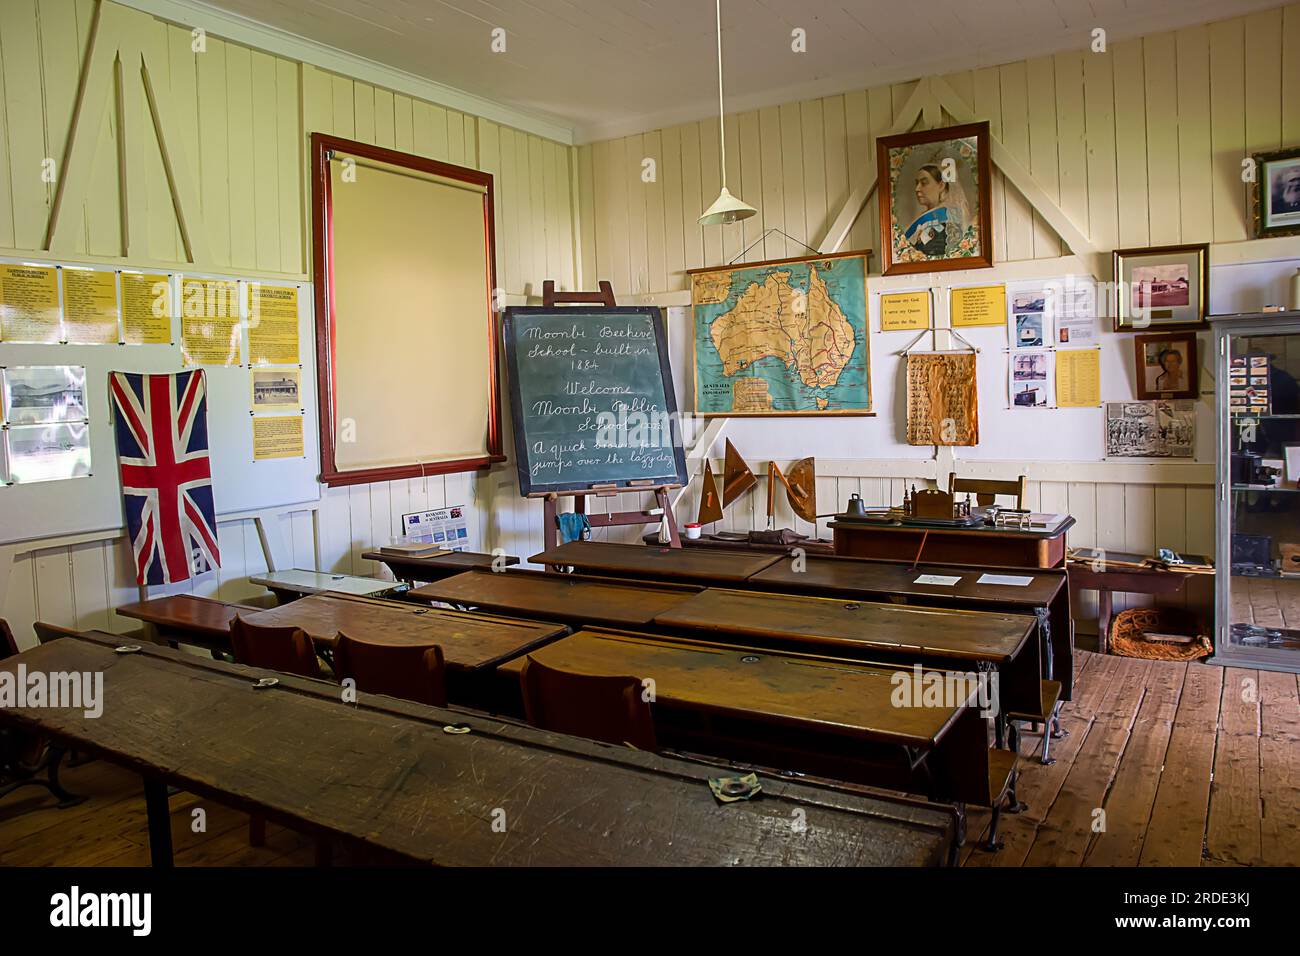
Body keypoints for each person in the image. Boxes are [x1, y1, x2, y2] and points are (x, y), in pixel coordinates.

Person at [902, 163, 969, 258]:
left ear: (941, 185)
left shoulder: (947, 224)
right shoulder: (923, 219)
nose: (917, 189)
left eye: (924, 183)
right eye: (916, 183)